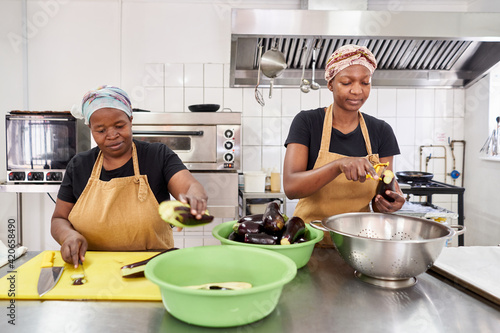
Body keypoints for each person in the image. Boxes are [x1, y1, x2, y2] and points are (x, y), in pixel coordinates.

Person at [51, 85, 208, 267]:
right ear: (90, 128)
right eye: (101, 130)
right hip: (91, 269)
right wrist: (68, 235)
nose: (112, 135)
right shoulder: (79, 165)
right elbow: (59, 219)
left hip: (151, 269)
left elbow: (189, 186)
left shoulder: (157, 156)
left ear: (131, 120)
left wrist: (195, 195)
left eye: (120, 126)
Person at [283, 45, 405, 233]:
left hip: (359, 241)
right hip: (309, 239)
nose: (357, 91)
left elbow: (382, 191)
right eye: (347, 83)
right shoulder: (307, 122)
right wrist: (338, 165)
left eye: (365, 83)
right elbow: (291, 188)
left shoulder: (382, 131)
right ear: (330, 84)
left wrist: (388, 203)